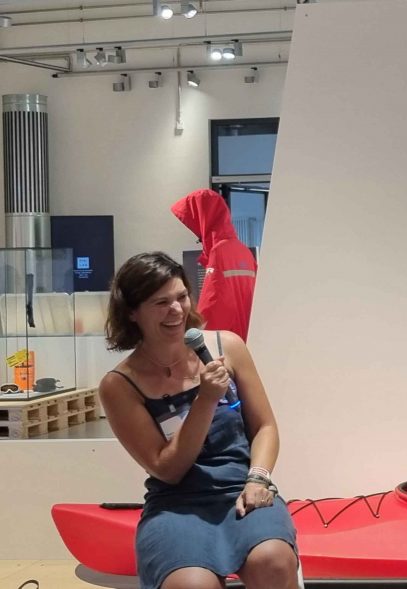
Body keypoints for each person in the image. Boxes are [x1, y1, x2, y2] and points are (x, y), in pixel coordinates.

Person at [100, 252, 299, 589]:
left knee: (273, 561)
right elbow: (168, 468)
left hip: (243, 488)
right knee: (192, 585)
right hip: (177, 505)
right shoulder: (119, 385)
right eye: (160, 302)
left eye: (181, 297)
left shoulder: (228, 346)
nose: (176, 310)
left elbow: (265, 427)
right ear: (132, 313)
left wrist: (259, 479)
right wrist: (206, 399)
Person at [172, 188, 258, 340]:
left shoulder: (219, 251)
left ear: (205, 218)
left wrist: (195, 337)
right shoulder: (244, 251)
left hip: (226, 343)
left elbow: (212, 305)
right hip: (247, 339)